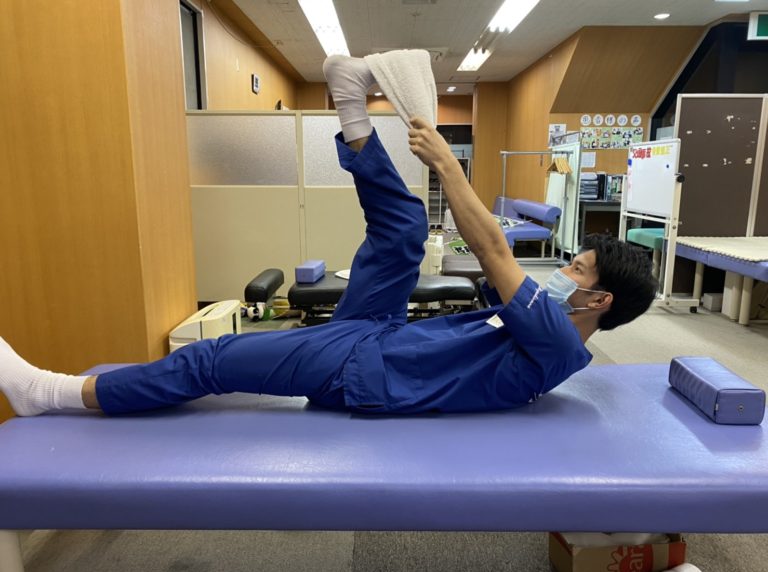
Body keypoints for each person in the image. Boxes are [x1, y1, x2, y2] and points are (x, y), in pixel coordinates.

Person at [0, 51, 657, 418]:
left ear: (600, 301)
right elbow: (482, 263)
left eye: (577, 270)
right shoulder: (551, 329)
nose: (564, 271)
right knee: (403, 229)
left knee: (212, 360)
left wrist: (447, 164)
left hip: (365, 369)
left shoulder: (556, 342)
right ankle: (351, 108)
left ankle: (49, 394)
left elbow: (489, 246)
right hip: (384, 331)